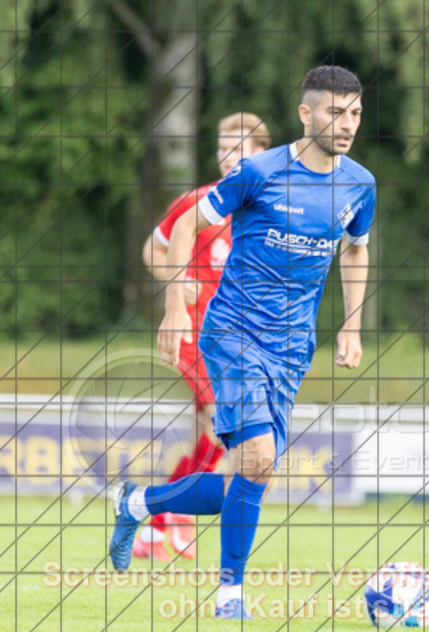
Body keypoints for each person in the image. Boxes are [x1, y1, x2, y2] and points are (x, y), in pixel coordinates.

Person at [109, 65, 375, 620]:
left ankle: (137, 503)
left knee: (251, 469)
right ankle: (230, 593)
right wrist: (177, 305)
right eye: (334, 111)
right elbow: (187, 225)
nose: (346, 123)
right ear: (307, 113)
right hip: (232, 331)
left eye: (354, 113)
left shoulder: (359, 184)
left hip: (291, 348)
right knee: (258, 455)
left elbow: (355, 249)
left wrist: (351, 324)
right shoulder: (259, 171)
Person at [135, 112, 271, 563]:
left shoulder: (267, 209)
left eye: (237, 149)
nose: (226, 158)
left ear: (260, 155)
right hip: (196, 333)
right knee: (222, 422)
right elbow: (152, 249)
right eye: (221, 148)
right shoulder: (200, 203)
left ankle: (159, 517)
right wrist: (178, 283)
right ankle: (166, 515)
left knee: (212, 436)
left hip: (240, 342)